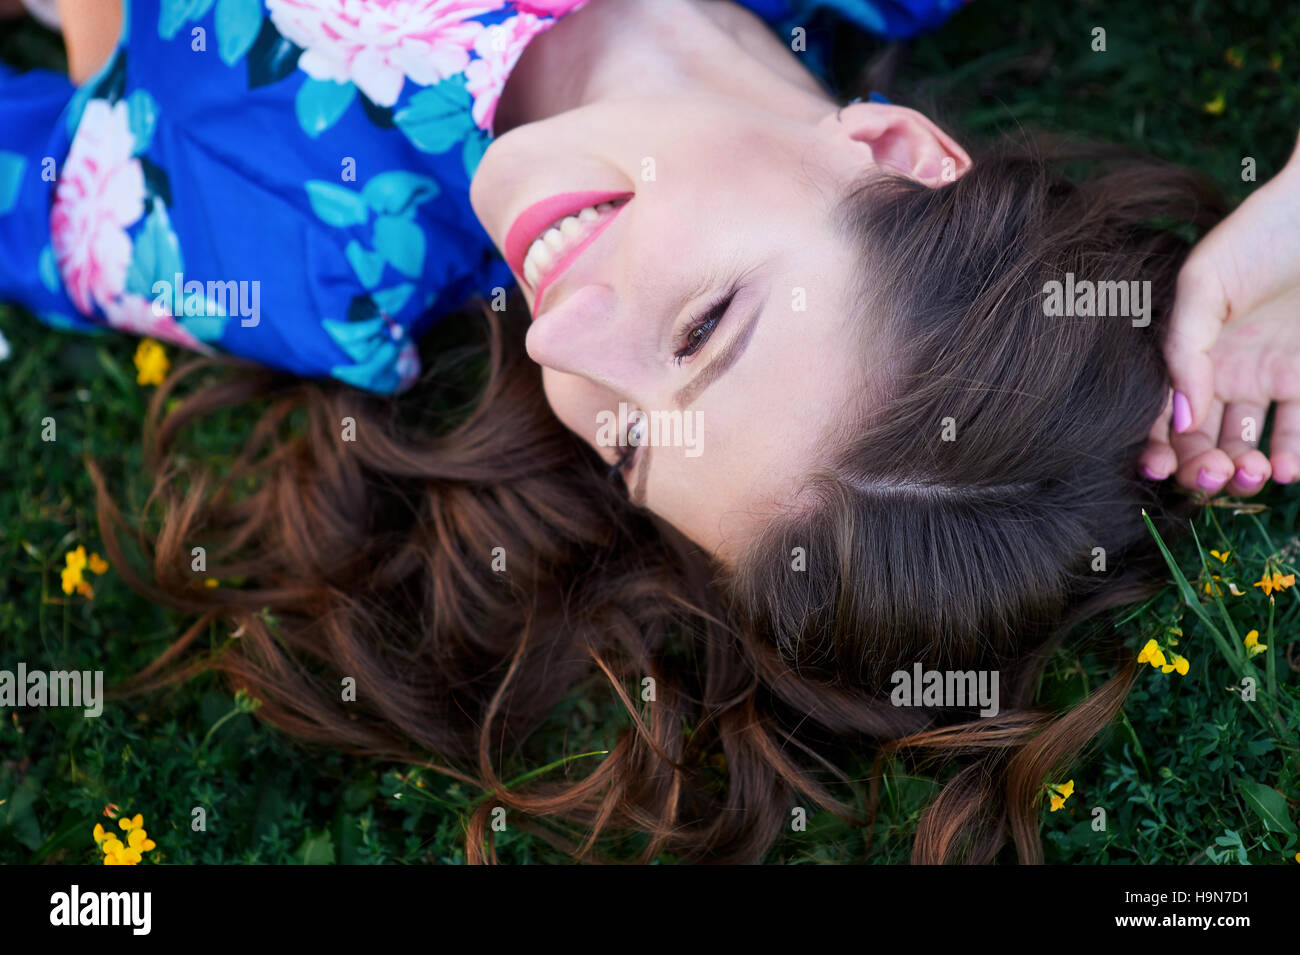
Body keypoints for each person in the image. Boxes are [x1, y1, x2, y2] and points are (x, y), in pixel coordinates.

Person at [2, 0, 1288, 864]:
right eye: (702, 329)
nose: (563, 346)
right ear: (892, 146)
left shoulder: (286, 253)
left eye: (626, 446)